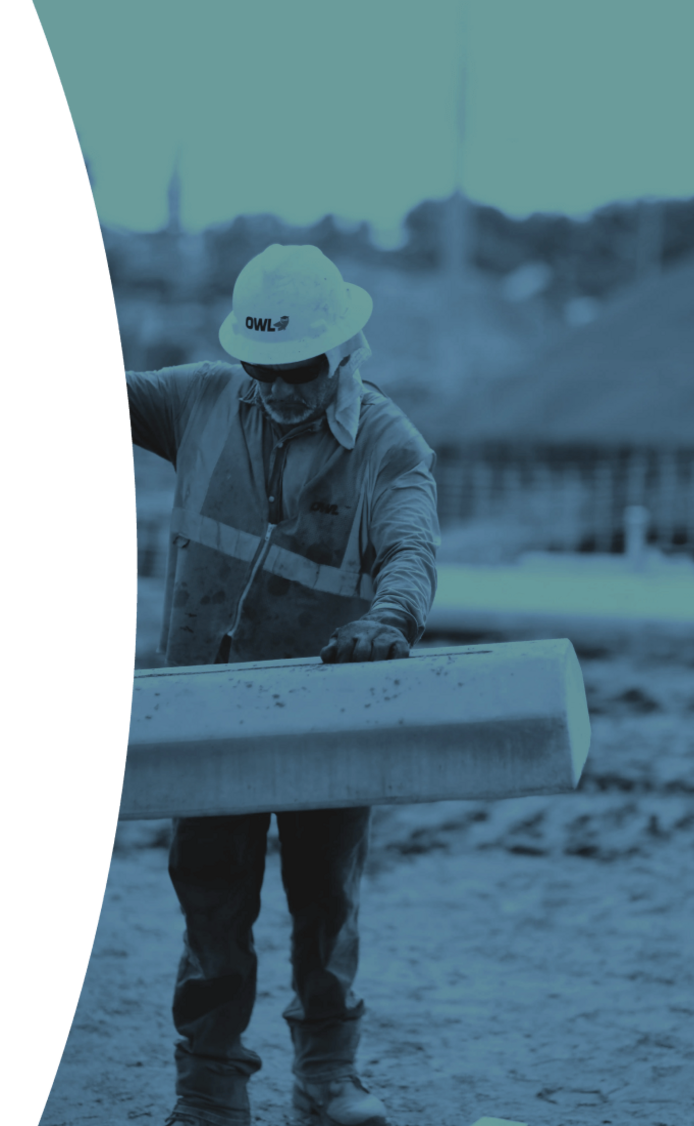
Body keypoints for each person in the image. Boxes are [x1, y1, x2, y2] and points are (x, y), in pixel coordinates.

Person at [126, 243, 441, 1126]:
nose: (274, 388)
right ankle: (210, 1089)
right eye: (257, 367)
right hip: (207, 713)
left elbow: (411, 550)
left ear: (341, 352)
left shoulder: (387, 444)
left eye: (295, 369)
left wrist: (390, 621)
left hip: (325, 710)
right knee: (212, 904)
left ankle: (328, 1078)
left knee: (324, 898)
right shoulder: (198, 400)